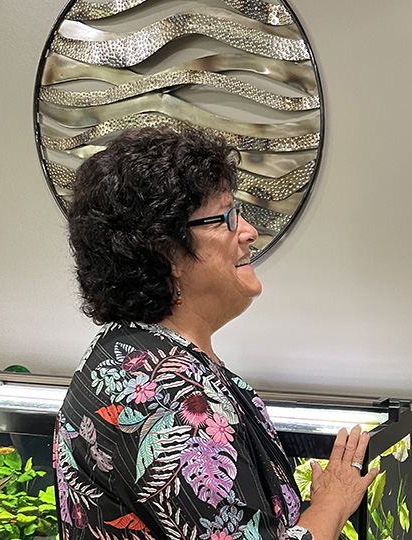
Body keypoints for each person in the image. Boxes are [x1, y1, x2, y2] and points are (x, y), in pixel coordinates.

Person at [55, 126, 378, 540]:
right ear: (167, 252)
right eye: (225, 217)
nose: (248, 231)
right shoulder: (176, 402)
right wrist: (331, 504)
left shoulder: (118, 353)